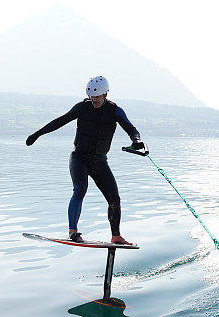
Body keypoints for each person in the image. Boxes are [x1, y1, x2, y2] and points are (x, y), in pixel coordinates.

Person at [26, 76, 145, 244]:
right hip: (79, 158)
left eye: (97, 96)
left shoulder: (115, 111)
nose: (94, 99)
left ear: (105, 94)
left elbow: (131, 129)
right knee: (80, 188)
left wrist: (137, 141)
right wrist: (37, 134)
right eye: (91, 96)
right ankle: (72, 232)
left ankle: (116, 235)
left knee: (114, 199)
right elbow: (59, 121)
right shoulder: (82, 108)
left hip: (99, 161)